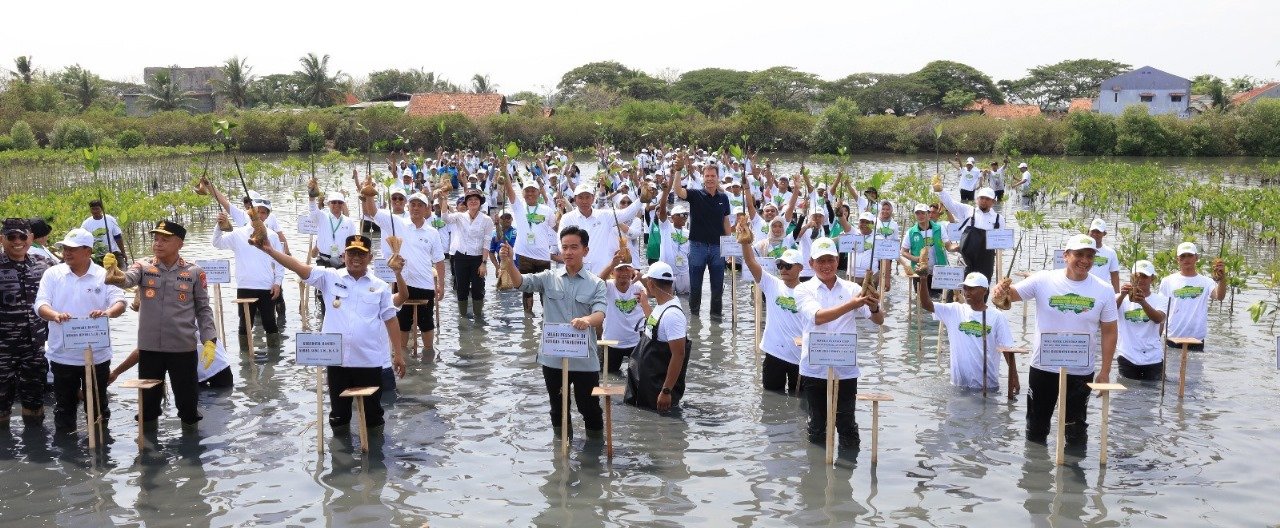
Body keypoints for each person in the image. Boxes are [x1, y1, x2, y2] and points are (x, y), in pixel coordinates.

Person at [255, 234, 407, 435]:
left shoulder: (379, 286)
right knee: (339, 415)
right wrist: (270, 251)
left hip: (369, 362)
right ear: (344, 255)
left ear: (370, 258)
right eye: (352, 253)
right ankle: (340, 459)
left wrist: (398, 354)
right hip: (338, 362)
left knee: (374, 416)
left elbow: (390, 320)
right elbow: (298, 267)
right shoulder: (329, 277)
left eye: (362, 255)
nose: (356, 258)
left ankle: (375, 461)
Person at [992, 234, 1118, 448]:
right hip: (1043, 367)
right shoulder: (1044, 279)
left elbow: (1109, 331)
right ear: (1066, 255)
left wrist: (1105, 370)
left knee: (1076, 430)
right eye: (1079, 254)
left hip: (1080, 370)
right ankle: (1035, 475)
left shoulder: (1104, 290)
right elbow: (1011, 296)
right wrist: (1000, 290)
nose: (1085, 260)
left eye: (1090, 255)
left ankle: (1073, 474)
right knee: (1036, 427)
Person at [106, 221, 217, 431]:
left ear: (180, 244)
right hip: (150, 350)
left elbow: (203, 309)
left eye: (165, 239)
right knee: (147, 407)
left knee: (188, 406)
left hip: (182, 348)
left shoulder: (194, 272)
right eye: (156, 239)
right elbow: (126, 280)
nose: (158, 243)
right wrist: (113, 270)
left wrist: (209, 340)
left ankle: (191, 453)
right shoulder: (143, 267)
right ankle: (149, 453)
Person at [499, 226, 606, 436]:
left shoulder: (596, 283)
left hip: (585, 360)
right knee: (558, 410)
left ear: (585, 250)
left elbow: (600, 313)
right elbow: (521, 283)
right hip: (553, 358)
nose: (568, 252)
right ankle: (561, 456)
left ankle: (594, 457)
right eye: (564, 247)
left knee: (590, 409)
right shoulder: (548, 277)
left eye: (574, 247)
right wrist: (510, 263)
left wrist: (586, 320)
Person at [795, 237, 885, 451]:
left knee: (846, 424)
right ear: (811, 264)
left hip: (845, 369)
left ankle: (847, 472)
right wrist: (852, 304)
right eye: (820, 261)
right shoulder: (803, 289)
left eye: (830, 260)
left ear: (838, 261)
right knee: (817, 426)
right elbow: (818, 317)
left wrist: (873, 307)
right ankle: (816, 473)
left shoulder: (853, 288)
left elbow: (879, 320)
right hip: (814, 368)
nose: (826, 266)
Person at [34, 228, 126, 435]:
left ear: (88, 251)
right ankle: (67, 453)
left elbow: (119, 302)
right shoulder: (52, 274)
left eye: (72, 249)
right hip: (62, 355)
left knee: (98, 407)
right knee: (64, 408)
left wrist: (107, 312)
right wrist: (55, 315)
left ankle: (101, 450)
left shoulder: (104, 275)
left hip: (97, 356)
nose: (66, 252)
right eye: (65, 248)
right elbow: (40, 304)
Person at [361, 188, 447, 352]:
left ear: (426, 208)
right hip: (402, 283)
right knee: (402, 321)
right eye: (413, 204)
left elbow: (439, 261)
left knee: (427, 322)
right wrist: (369, 194)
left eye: (419, 205)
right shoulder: (397, 223)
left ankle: (429, 358)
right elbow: (373, 212)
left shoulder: (433, 232)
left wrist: (441, 285)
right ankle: (403, 358)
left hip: (425, 284)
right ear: (408, 207)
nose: (415, 208)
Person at [916, 267, 1018, 393]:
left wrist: (1014, 377)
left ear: (984, 290)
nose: (967, 292)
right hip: (958, 386)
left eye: (972, 289)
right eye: (965, 288)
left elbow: (1007, 350)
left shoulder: (997, 316)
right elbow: (926, 304)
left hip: (987, 387)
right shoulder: (954, 310)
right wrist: (923, 278)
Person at [0, 218, 58, 430]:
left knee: (35, 404)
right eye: (11, 237)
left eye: (22, 236)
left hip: (35, 348)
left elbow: (74, 281)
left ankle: (36, 447)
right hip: (2, 349)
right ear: (2, 239)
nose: (18, 241)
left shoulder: (46, 265)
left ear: (31, 238)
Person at [739, 220, 805, 395]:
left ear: (800, 268)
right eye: (780, 265)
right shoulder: (772, 284)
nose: (783, 269)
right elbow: (750, 261)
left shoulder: (810, 292)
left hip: (799, 357)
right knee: (770, 400)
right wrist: (745, 243)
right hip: (774, 354)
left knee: (799, 401)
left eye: (788, 266)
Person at [212, 204, 284, 340]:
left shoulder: (272, 235)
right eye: (257, 212)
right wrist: (219, 225)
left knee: (270, 323)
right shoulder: (238, 234)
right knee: (244, 326)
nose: (260, 216)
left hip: (266, 287)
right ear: (250, 214)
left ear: (267, 216)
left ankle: (274, 359)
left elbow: (280, 261)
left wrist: (277, 283)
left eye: (263, 213)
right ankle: (245, 359)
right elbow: (217, 243)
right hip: (245, 286)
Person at [624, 261, 689, 412]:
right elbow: (653, 327)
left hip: (658, 387)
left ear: (651, 284)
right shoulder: (662, 306)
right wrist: (645, 305)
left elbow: (679, 355)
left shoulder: (673, 314)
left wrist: (666, 391)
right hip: (647, 382)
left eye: (647, 282)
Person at [672, 158, 731, 318]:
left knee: (717, 286)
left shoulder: (724, 198)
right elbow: (678, 190)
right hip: (697, 246)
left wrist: (730, 246)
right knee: (696, 286)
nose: (710, 178)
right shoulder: (695, 194)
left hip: (718, 247)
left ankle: (716, 316)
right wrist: (678, 171)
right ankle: (694, 317)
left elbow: (726, 221)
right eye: (707, 176)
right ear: (703, 178)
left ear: (718, 177)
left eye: (713, 175)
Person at [557, 178, 645, 278]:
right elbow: (560, 243)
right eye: (581, 197)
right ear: (575, 199)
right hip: (577, 270)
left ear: (593, 198)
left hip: (602, 271)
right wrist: (570, 256)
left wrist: (641, 200)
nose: (584, 201)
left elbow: (626, 214)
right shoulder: (567, 218)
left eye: (587, 197)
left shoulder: (604, 215)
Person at [504, 176, 560, 311]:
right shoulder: (518, 207)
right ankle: (528, 323)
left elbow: (558, 228)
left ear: (539, 193)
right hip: (524, 255)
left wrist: (561, 211)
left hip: (543, 256)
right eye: (527, 191)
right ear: (522, 193)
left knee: (545, 291)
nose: (530, 193)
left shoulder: (547, 210)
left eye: (533, 190)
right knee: (526, 290)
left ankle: (545, 320)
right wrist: (504, 170)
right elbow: (509, 189)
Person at [1157, 242, 1226, 350]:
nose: (1186, 259)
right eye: (1183, 256)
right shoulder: (1167, 281)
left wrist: (1222, 278)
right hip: (1172, 338)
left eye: (1190, 255)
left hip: (1196, 340)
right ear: (1177, 259)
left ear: (1196, 258)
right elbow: (1161, 311)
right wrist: (1156, 339)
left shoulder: (1206, 281)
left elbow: (1219, 296)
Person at [439, 188, 495, 318]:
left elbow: (487, 242)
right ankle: (463, 318)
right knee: (461, 289)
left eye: (476, 199)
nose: (473, 202)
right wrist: (444, 199)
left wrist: (484, 263)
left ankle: (478, 317)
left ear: (480, 202)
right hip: (461, 257)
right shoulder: (460, 216)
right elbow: (445, 218)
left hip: (478, 258)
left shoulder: (487, 220)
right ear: (466, 203)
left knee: (478, 289)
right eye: (470, 200)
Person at [937, 184, 1002, 282]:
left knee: (982, 288)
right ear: (977, 199)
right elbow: (951, 204)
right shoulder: (967, 210)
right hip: (965, 259)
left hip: (986, 261)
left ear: (993, 201)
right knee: (960, 286)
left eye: (987, 199)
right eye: (982, 198)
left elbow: (1001, 242)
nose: (984, 201)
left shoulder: (999, 219)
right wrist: (941, 191)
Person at [1116, 260, 1169, 380]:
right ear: (1131, 278)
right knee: (1126, 393)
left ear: (1152, 279)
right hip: (1127, 355)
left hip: (1153, 357)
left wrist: (1143, 302)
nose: (1140, 279)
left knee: (1152, 394)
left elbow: (1159, 319)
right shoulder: (1120, 298)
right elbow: (1108, 315)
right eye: (1137, 276)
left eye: (1145, 276)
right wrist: (1122, 295)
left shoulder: (1161, 300)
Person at [598, 254, 650, 374]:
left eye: (627, 268)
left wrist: (641, 277)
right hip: (611, 342)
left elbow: (653, 291)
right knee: (608, 377)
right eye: (619, 269)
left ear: (632, 271)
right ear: (612, 273)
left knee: (639, 377)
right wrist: (611, 264)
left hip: (636, 342)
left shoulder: (637, 287)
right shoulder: (608, 286)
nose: (624, 273)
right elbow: (598, 282)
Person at [901, 203, 949, 298]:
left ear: (928, 214)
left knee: (938, 299)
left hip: (938, 271)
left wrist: (958, 248)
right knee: (920, 301)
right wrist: (915, 258)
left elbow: (948, 245)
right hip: (919, 271)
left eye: (923, 213)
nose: (920, 216)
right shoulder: (911, 232)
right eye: (917, 213)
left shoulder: (939, 228)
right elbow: (903, 251)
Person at [656, 197, 692, 294]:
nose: (684, 217)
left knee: (685, 302)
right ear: (672, 217)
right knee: (667, 299)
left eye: (686, 214)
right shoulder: (666, 227)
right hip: (667, 272)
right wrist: (665, 193)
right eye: (680, 214)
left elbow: (690, 254)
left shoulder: (688, 233)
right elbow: (663, 211)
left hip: (684, 272)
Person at [81, 200, 128, 265]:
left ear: (102, 209)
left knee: (123, 270)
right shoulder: (86, 224)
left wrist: (123, 253)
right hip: (96, 255)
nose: (95, 211)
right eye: (93, 209)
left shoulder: (110, 220)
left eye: (97, 209)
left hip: (113, 253)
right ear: (90, 210)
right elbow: (83, 241)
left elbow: (118, 237)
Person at [1086, 219, 1121, 292]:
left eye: (1098, 232)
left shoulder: (1111, 252)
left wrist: (1117, 295)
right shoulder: (1081, 250)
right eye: (1093, 231)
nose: (1095, 234)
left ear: (1104, 233)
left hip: (1102, 290)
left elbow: (1114, 275)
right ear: (1089, 231)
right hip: (1084, 288)